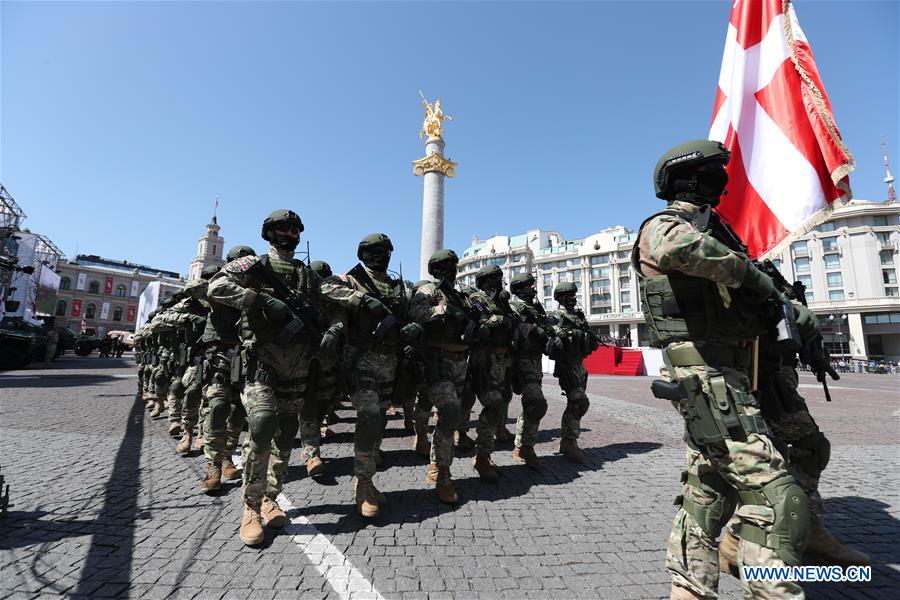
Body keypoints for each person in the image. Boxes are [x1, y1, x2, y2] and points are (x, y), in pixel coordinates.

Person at [634, 139, 809, 599]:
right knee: (775, 498)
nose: (723, 182)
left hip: (738, 376)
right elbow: (675, 252)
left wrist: (784, 306)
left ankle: (689, 586)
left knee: (708, 490)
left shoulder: (725, 235)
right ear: (686, 179)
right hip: (705, 380)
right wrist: (754, 278)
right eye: (713, 173)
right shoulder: (664, 227)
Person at [207, 209, 356, 546]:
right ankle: (251, 507)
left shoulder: (307, 274)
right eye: (282, 229)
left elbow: (336, 299)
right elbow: (215, 285)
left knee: (288, 433)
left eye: (294, 229)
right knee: (261, 425)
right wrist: (257, 298)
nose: (289, 234)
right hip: (263, 362)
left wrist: (337, 326)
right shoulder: (253, 266)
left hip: (299, 365)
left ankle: (272, 495)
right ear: (268, 233)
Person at [323, 233, 423, 517]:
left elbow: (417, 312)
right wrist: (362, 300)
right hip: (360, 361)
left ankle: (368, 479)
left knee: (378, 421)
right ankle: (363, 483)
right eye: (373, 250)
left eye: (384, 250)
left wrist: (416, 327)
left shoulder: (399, 287)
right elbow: (324, 288)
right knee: (368, 415)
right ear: (361, 254)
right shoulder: (351, 279)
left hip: (391, 362)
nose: (380, 255)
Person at [409, 249, 470, 503]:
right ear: (435, 270)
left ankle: (433, 453)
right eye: (444, 267)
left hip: (461, 361)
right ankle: (441, 470)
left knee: (455, 413)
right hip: (437, 361)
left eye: (453, 266)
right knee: (450, 411)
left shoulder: (463, 295)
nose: (450, 271)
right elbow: (416, 313)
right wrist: (444, 311)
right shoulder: (428, 291)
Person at [199, 248, 255, 493]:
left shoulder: (258, 284)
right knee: (218, 407)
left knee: (239, 412)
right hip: (221, 358)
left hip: (248, 358)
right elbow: (202, 289)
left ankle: (227, 455)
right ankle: (212, 465)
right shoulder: (219, 283)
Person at [546, 282, 598, 462]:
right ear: (560, 298)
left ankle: (568, 441)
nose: (573, 299)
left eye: (574, 295)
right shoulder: (555, 317)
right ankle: (569, 441)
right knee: (579, 402)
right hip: (566, 364)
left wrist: (589, 339)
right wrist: (574, 335)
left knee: (576, 403)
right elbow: (551, 335)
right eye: (569, 295)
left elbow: (588, 337)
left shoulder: (579, 316)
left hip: (579, 365)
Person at [506, 273, 553, 469]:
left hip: (533, 363)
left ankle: (523, 447)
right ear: (517, 288)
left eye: (532, 285)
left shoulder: (536, 307)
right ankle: (483, 456)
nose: (532, 289)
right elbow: (510, 327)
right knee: (534, 404)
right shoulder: (513, 305)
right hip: (514, 363)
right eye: (527, 286)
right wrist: (533, 329)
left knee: (534, 405)